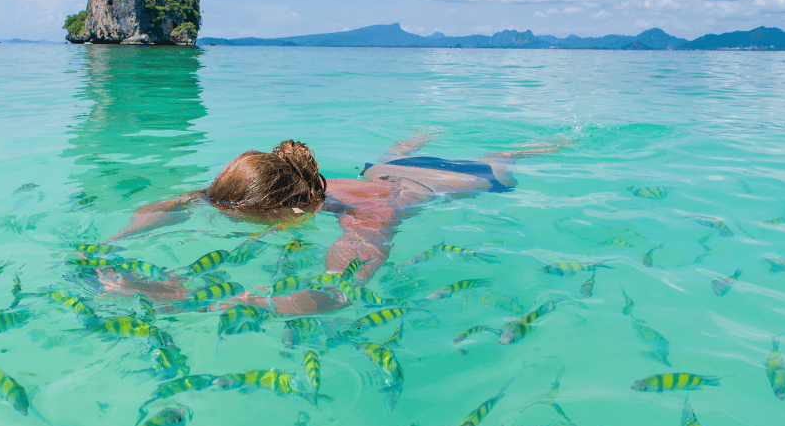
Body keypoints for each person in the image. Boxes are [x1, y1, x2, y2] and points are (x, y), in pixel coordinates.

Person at [95, 134, 558, 314]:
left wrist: (245, 301)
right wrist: (111, 241)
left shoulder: (372, 216)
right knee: (388, 160)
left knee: (500, 160)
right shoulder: (297, 183)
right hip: (379, 171)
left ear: (288, 210)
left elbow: (340, 292)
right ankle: (407, 144)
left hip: (453, 181)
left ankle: (531, 148)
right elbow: (188, 199)